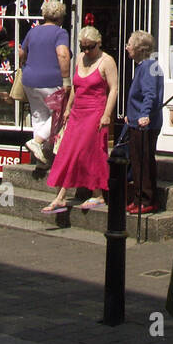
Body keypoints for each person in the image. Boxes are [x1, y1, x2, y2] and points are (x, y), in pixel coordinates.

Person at [42, 26, 118, 215]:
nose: (85, 51)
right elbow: (76, 86)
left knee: (89, 152)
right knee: (68, 150)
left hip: (95, 112)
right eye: (82, 47)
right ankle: (67, 195)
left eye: (89, 47)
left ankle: (87, 194)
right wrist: (68, 108)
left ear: (98, 43)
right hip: (78, 112)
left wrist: (107, 114)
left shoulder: (107, 61)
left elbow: (114, 89)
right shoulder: (80, 59)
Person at [19, 0, 71, 165]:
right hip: (51, 81)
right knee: (59, 115)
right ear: (61, 17)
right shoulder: (60, 33)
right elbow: (63, 54)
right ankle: (38, 142)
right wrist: (66, 79)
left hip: (29, 80)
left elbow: (21, 53)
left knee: (39, 116)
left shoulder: (33, 31)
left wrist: (26, 65)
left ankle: (42, 157)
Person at [123, 31, 165, 214]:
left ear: (140, 49)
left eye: (129, 44)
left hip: (145, 125)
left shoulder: (148, 66)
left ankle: (147, 199)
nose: (127, 47)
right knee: (137, 161)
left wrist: (144, 114)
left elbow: (149, 94)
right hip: (136, 122)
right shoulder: (143, 66)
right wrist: (130, 114)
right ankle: (138, 197)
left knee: (144, 162)